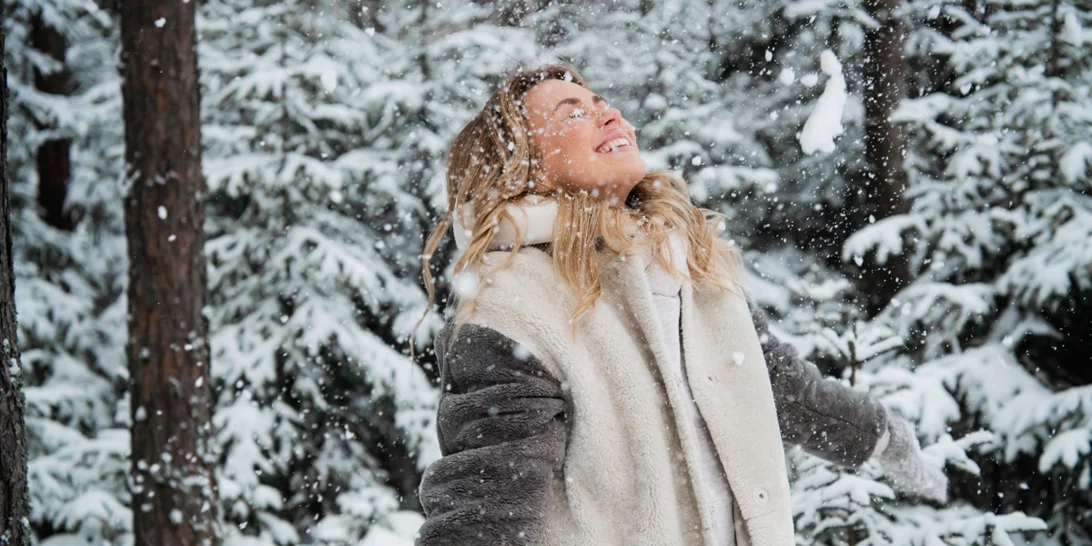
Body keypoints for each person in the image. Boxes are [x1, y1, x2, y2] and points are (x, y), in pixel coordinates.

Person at [411, 64, 948, 546]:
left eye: (601, 102)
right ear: (526, 166)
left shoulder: (687, 266)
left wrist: (888, 441)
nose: (608, 114)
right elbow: (486, 507)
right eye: (572, 112)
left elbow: (787, 393)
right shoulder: (513, 307)